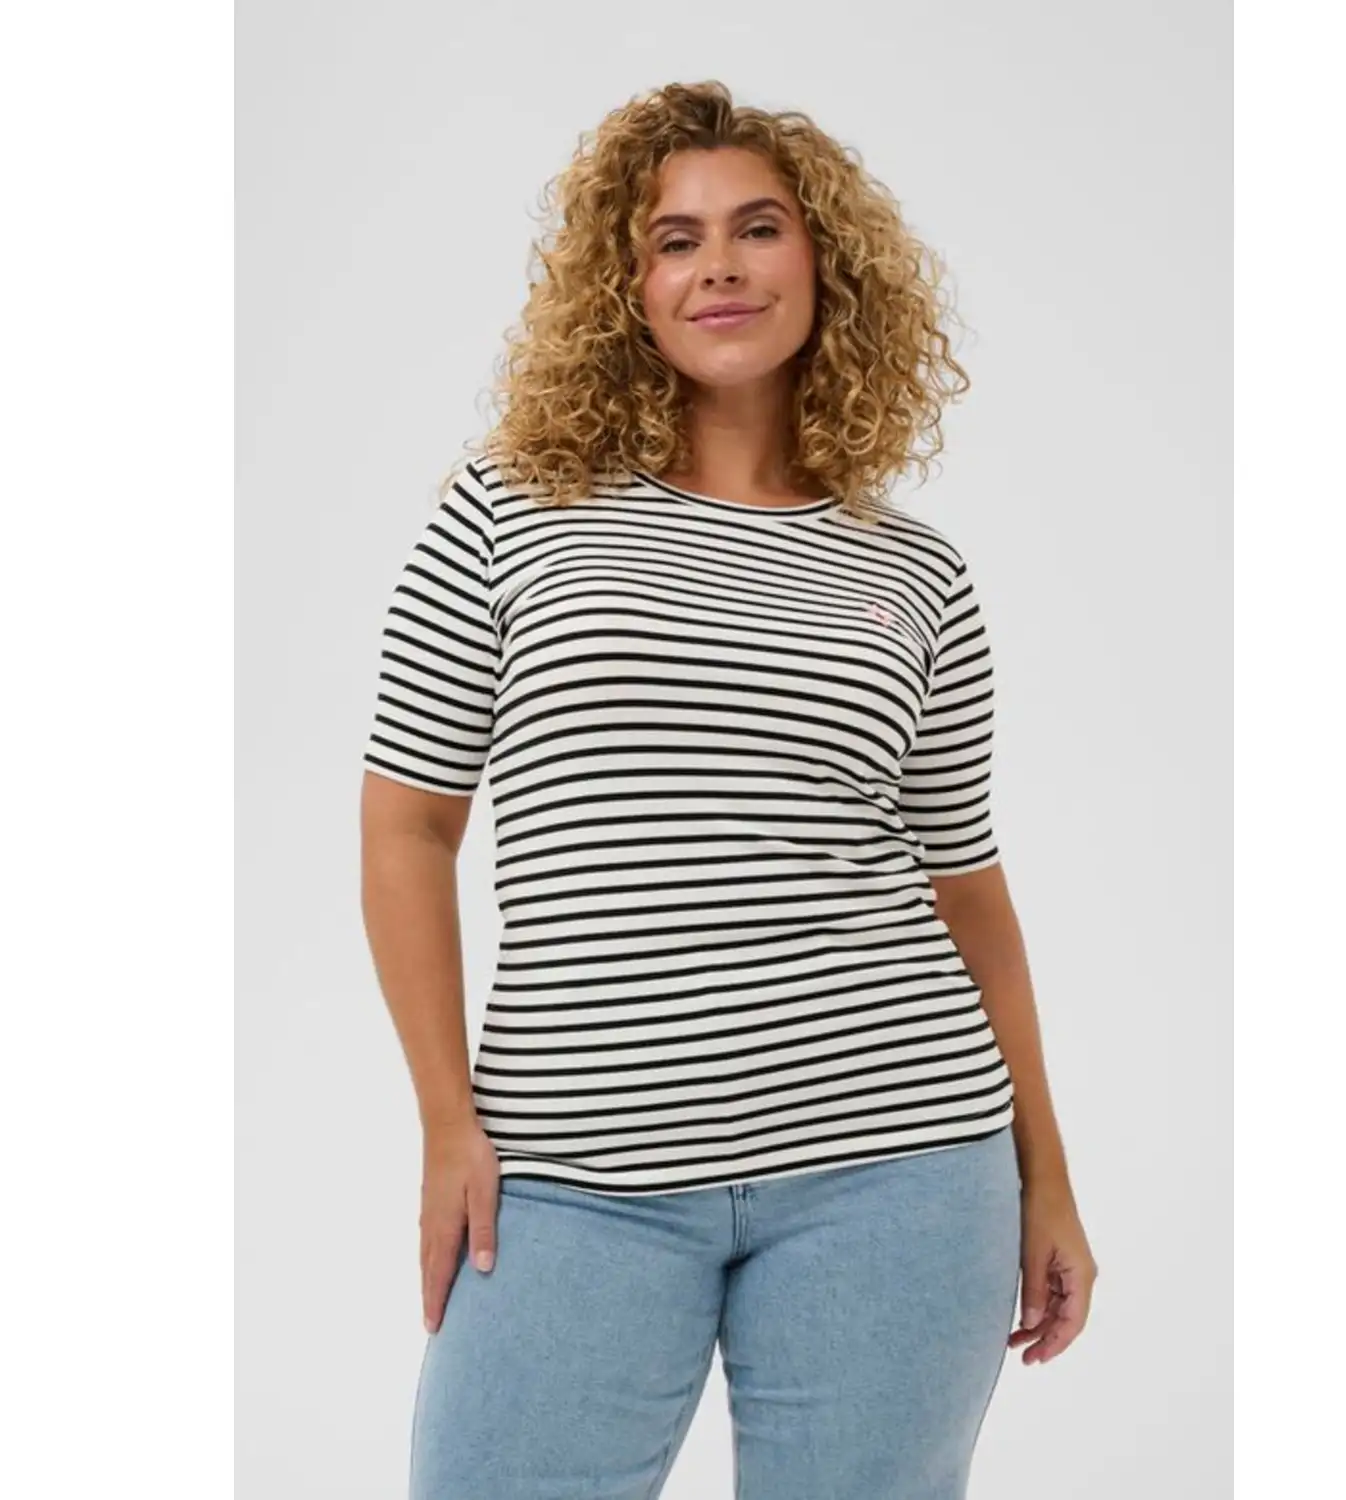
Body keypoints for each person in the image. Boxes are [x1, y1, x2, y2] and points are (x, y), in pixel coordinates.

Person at [359, 79, 1098, 1500]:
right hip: (572, 1172)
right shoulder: (512, 509)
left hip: (899, 1162)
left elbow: (967, 890)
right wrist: (448, 1120)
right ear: (624, 287)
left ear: (826, 264)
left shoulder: (916, 572)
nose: (720, 267)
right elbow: (409, 824)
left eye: (758, 228)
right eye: (674, 239)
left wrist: (1044, 1173)